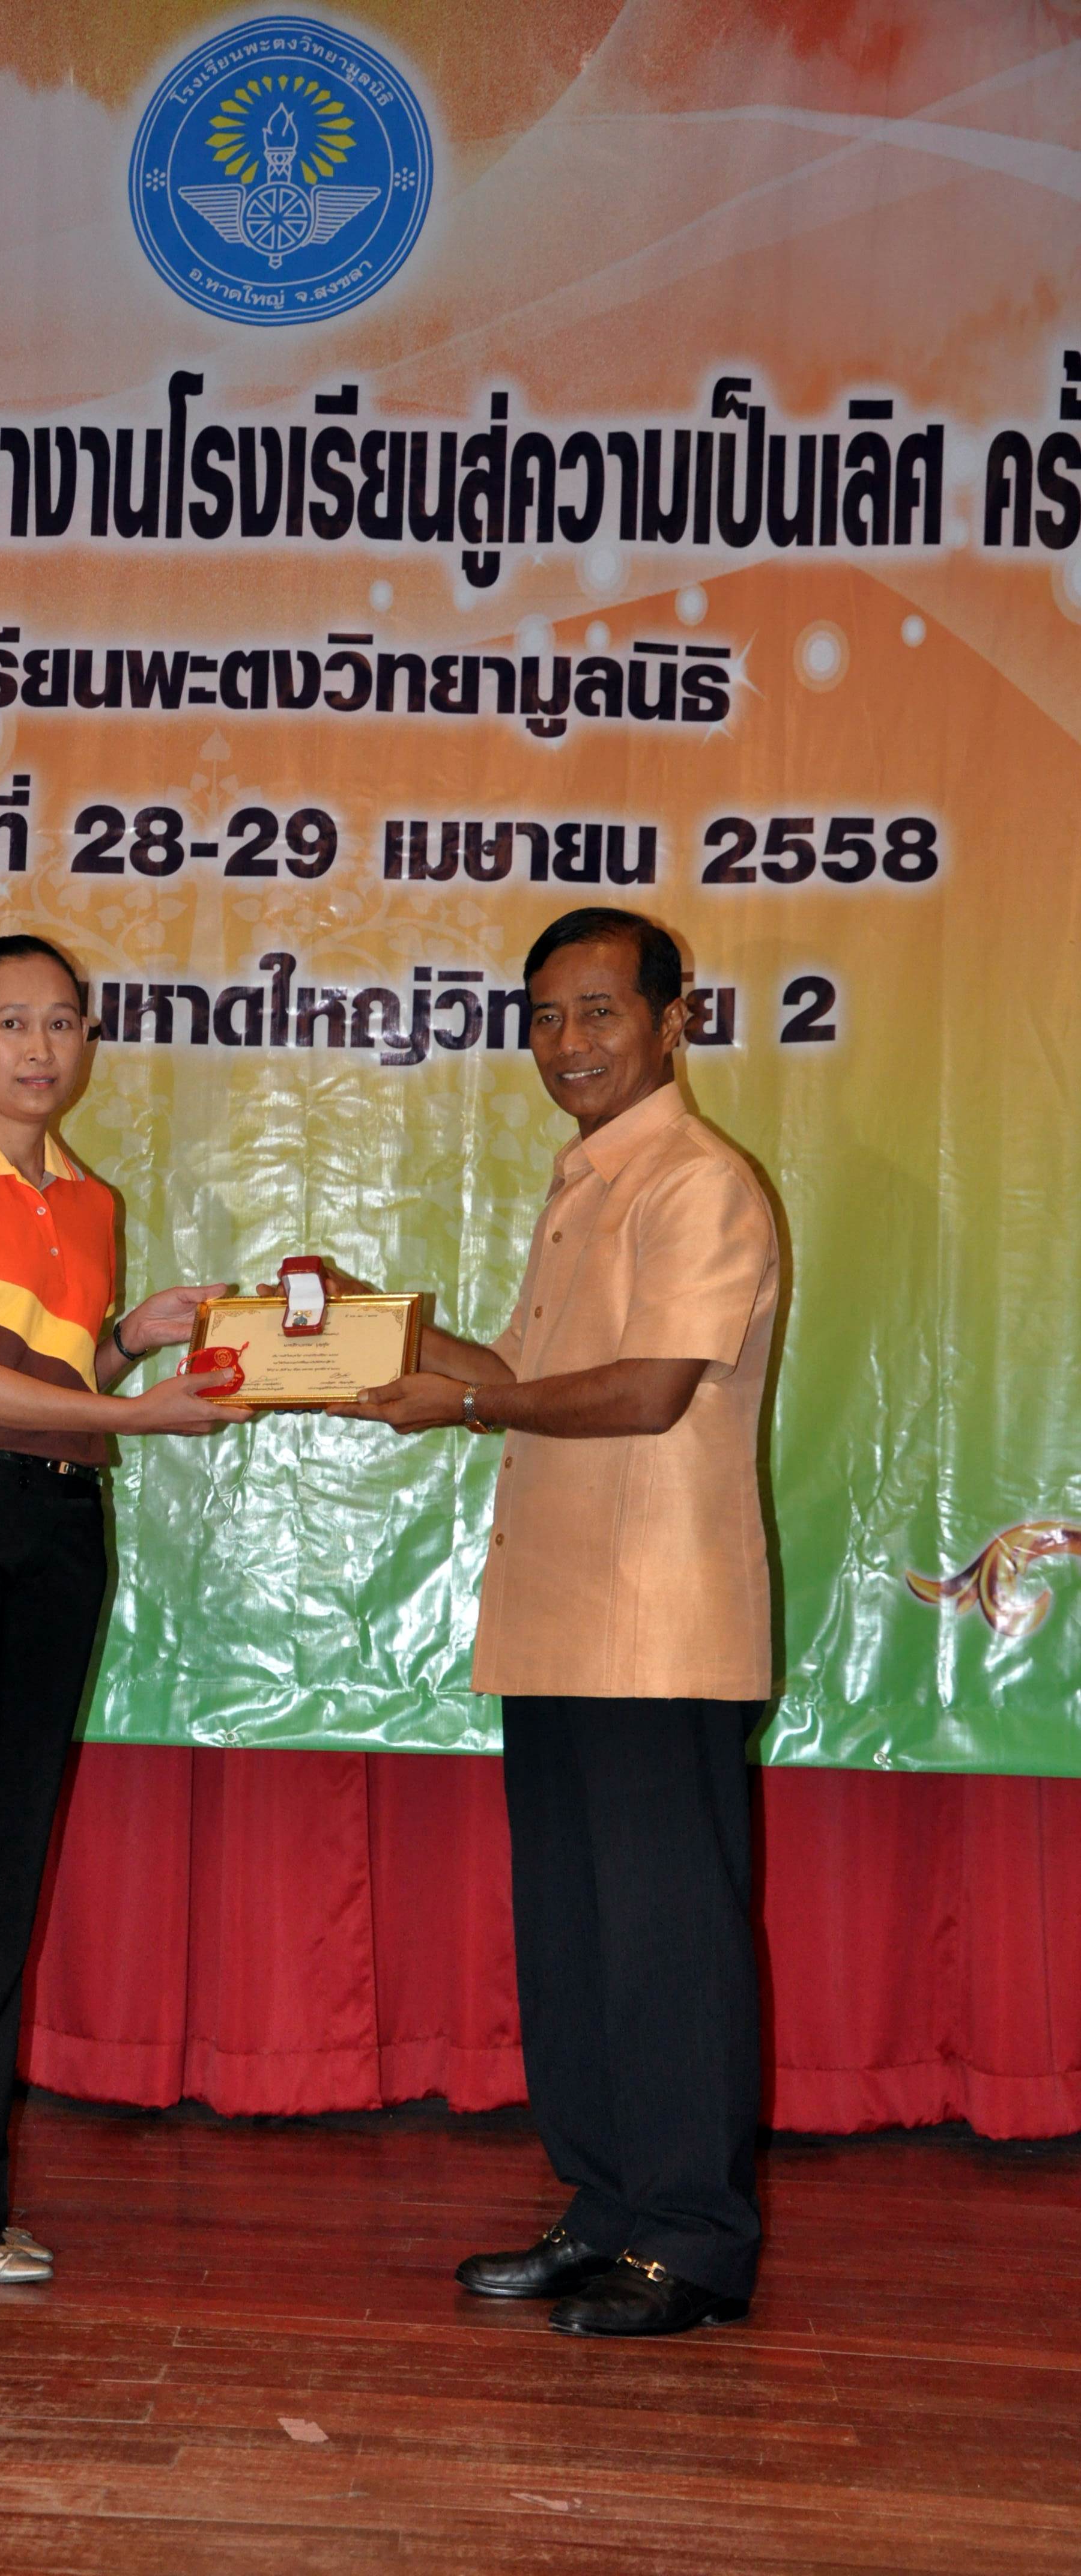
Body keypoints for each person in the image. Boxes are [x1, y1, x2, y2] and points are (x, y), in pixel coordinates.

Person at [322, 906, 780, 2337]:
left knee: (666, 1939)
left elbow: (648, 1389)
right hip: (562, 1618)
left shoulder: (696, 1181)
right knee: (577, 1936)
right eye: (542, 1015)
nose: (566, 1041)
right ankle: (608, 2207)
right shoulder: (585, 1181)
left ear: (670, 1019)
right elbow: (522, 1368)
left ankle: (693, 2238)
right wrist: (375, 1327)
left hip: (658, 1625)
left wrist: (462, 1399)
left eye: (597, 1010)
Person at [0, 932, 244, 2285]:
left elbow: (50, 1375)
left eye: (63, 1022)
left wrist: (130, 1338)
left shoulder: (88, 1197)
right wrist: (132, 1414)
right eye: (11, 1022)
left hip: (57, 1526)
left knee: (2, 1865)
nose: (40, 1046)